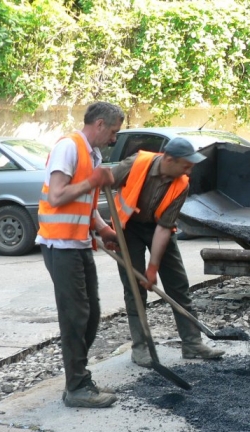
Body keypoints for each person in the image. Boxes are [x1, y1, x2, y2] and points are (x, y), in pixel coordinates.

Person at [36, 101, 124, 408]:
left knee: (92, 313)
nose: (114, 138)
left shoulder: (93, 154)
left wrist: (102, 228)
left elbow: (84, 203)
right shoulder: (68, 148)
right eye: (113, 132)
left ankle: (78, 376)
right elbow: (58, 196)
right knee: (75, 315)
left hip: (80, 243)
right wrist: (93, 180)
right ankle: (76, 386)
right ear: (99, 124)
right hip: (60, 246)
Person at [110, 137, 225, 368]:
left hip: (158, 226)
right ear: (169, 159)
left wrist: (153, 267)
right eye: (186, 164)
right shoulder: (136, 163)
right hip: (128, 228)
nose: (189, 169)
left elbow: (163, 228)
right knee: (134, 288)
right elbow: (105, 181)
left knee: (178, 285)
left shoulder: (182, 183)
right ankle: (140, 347)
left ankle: (192, 343)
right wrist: (98, 224)